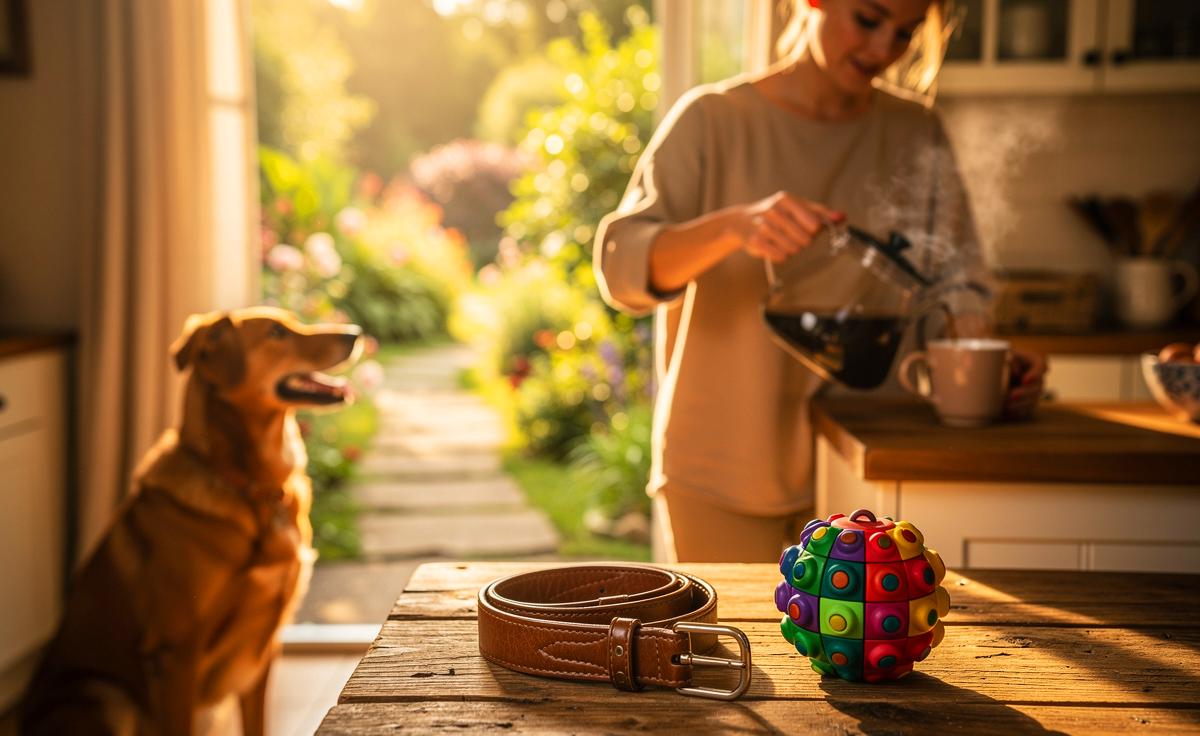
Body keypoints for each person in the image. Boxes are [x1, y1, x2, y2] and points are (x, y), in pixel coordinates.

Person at [593, 0, 1047, 563]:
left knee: (875, 649)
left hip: (872, 475)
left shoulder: (917, 130)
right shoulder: (713, 120)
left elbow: (958, 286)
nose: (884, 50)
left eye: (904, 33)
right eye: (868, 19)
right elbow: (623, 270)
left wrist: (984, 359)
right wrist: (736, 226)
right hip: (724, 469)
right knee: (738, 649)